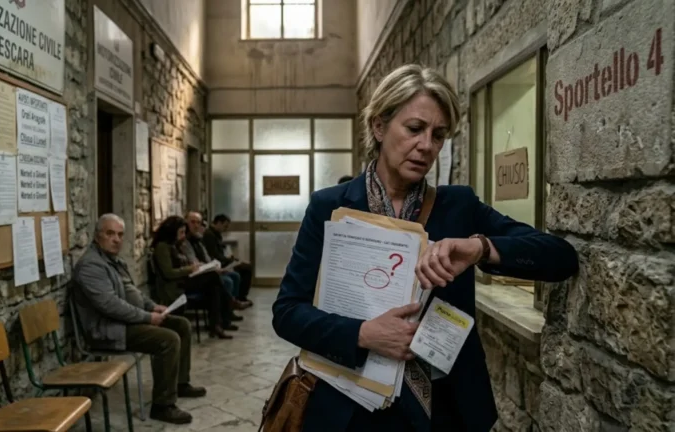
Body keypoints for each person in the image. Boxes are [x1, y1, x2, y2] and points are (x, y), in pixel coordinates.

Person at [272, 64, 579, 432]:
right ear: (379, 126)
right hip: (348, 409)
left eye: (438, 135)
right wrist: (362, 334)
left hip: (444, 410)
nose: (426, 145)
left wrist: (481, 248)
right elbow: (287, 312)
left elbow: (559, 257)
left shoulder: (458, 206)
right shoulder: (331, 207)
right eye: (415, 129)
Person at [72, 214, 206, 425]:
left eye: (119, 234)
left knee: (181, 324)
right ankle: (163, 405)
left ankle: (180, 383)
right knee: (167, 339)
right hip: (107, 329)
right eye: (110, 233)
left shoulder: (113, 260)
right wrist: (147, 317)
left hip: (124, 322)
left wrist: (153, 307)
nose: (116, 239)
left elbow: (131, 291)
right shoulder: (91, 266)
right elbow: (110, 305)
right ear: (97, 236)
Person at [151, 215, 234, 339]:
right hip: (175, 285)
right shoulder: (162, 247)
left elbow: (181, 264)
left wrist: (194, 266)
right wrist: (189, 269)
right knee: (213, 278)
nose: (183, 235)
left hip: (184, 279)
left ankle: (217, 324)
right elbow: (169, 273)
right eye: (181, 232)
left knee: (214, 287)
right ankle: (225, 311)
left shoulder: (175, 245)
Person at [184, 211, 250, 316]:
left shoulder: (198, 239)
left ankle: (230, 310)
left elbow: (207, 257)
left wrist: (214, 266)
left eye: (198, 223)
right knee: (228, 280)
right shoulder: (186, 241)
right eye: (192, 222)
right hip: (196, 275)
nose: (196, 226)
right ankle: (229, 308)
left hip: (207, 269)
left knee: (234, 275)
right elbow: (193, 261)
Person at [202, 214, 253, 306]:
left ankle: (238, 298)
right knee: (246, 268)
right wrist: (229, 260)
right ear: (218, 223)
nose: (225, 229)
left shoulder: (215, 234)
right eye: (225, 226)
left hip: (221, 260)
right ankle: (239, 298)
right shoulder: (209, 235)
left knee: (245, 266)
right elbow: (215, 255)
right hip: (218, 262)